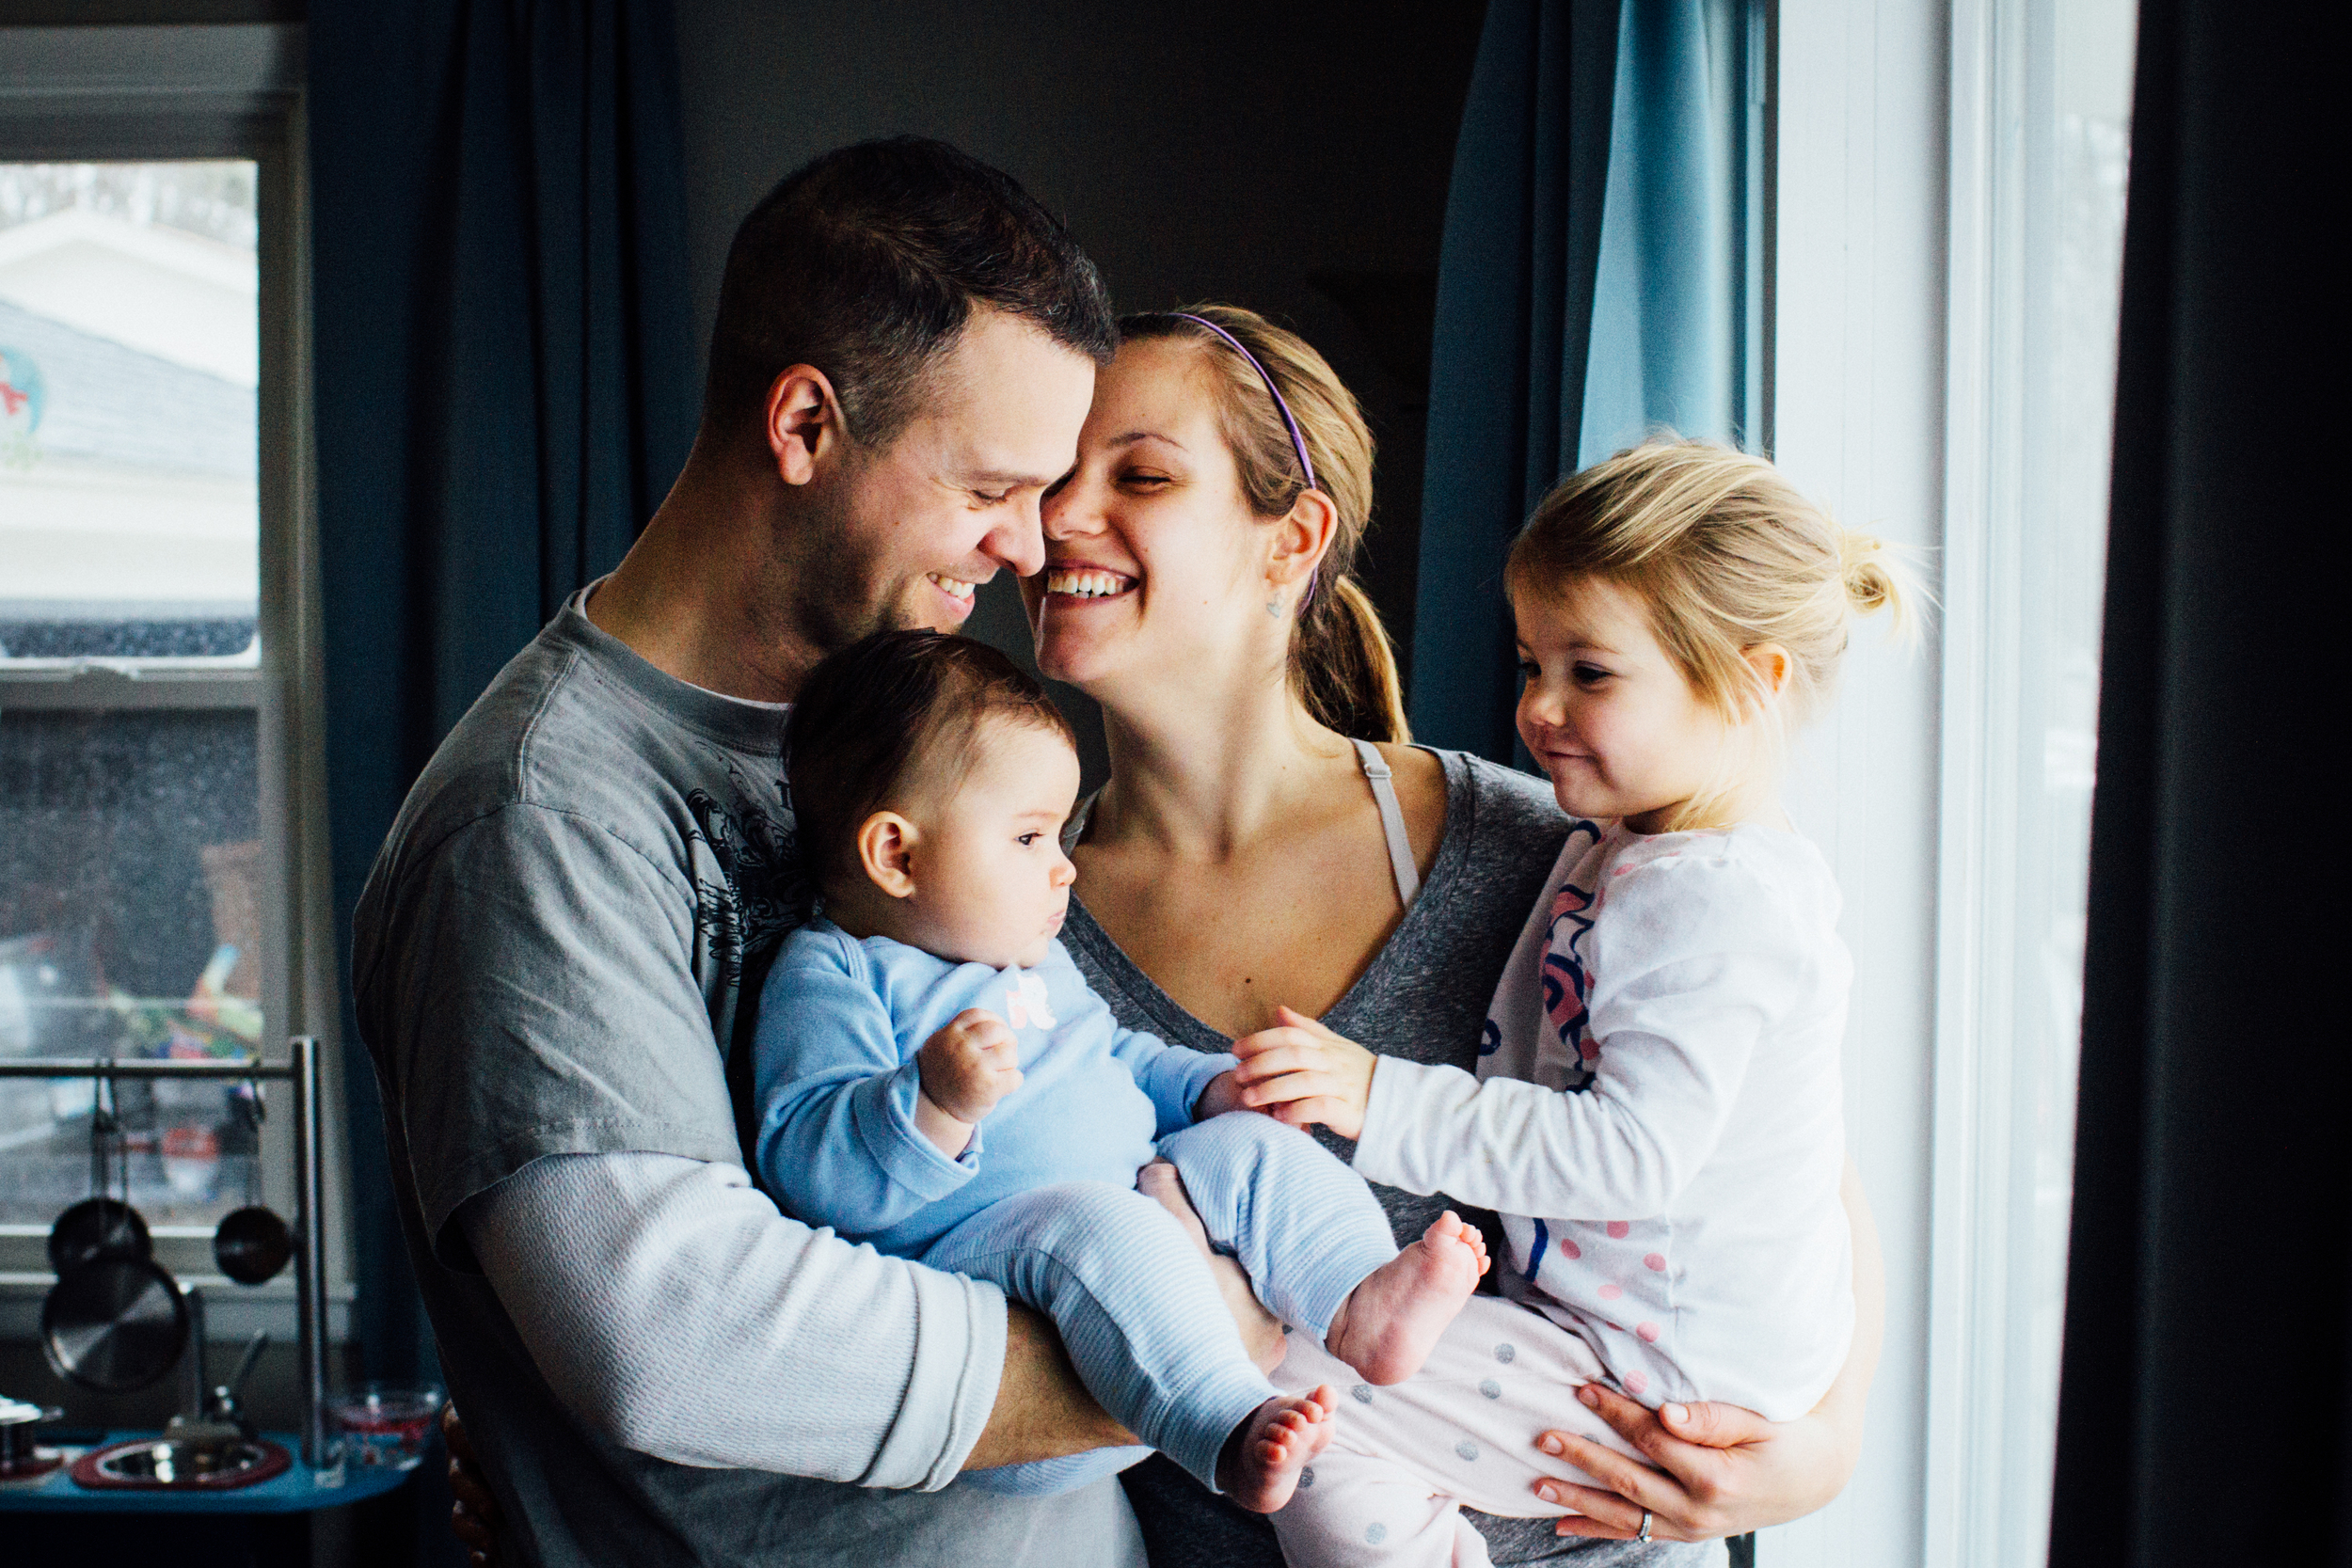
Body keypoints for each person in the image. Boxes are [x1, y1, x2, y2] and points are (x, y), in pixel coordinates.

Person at [356, 138, 1196, 1568]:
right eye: (989, 487)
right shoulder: (542, 816)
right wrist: (1186, 1351)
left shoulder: (902, 736)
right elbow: (673, 1336)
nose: (1026, 546)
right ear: (804, 423)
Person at [1024, 305, 1889, 1565]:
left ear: (1293, 539)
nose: (1055, 514)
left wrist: (1826, 1443)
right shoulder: (1001, 918)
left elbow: (1790, 1160)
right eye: (1052, 472)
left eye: (1140, 475)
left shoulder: (1554, 842)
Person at [1222, 439, 1909, 1565]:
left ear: (1753, 681)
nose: (1536, 705)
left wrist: (1378, 1095)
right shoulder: (1649, 847)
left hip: (1660, 1372)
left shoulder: (1711, 898)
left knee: (1294, 1371)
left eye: (1589, 672)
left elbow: (1631, 1154)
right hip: (1647, 1333)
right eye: (1531, 662)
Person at [753, 628, 1490, 1511]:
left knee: (1248, 1147)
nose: (1063, 865)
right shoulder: (834, 972)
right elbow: (806, 1171)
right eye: (1029, 837)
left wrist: (1207, 1089)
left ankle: (1358, 1296)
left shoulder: (1029, 959)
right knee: (1096, 1222)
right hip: (998, 1290)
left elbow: (1119, 1055)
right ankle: (1229, 1427)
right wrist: (931, 1105)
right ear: (897, 856)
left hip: (1140, 1225)